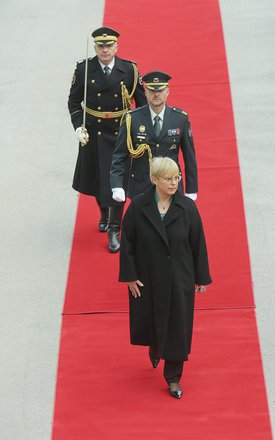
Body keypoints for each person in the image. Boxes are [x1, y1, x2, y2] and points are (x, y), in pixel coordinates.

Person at [119, 157, 211, 399]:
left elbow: (198, 243)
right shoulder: (139, 207)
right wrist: (130, 276)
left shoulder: (187, 208)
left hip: (179, 277)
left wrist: (201, 277)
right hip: (148, 277)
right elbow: (127, 241)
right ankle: (156, 346)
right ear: (154, 180)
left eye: (177, 178)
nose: (174, 183)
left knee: (178, 326)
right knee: (151, 318)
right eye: (168, 179)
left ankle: (173, 377)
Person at [67, 26, 146, 252]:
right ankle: (104, 212)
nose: (105, 50)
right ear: (95, 47)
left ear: (116, 47)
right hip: (93, 132)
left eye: (109, 45)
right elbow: (74, 103)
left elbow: (141, 103)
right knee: (96, 178)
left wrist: (140, 132)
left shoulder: (129, 70)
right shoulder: (84, 70)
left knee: (117, 182)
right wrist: (78, 127)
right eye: (100, 46)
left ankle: (114, 228)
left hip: (120, 132)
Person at [110, 71, 200, 252]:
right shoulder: (131, 119)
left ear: (168, 92)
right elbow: (120, 155)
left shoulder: (180, 118)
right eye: (152, 91)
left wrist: (191, 190)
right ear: (146, 92)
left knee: (172, 233)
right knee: (143, 235)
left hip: (171, 185)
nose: (156, 94)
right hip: (142, 184)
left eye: (160, 90)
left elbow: (190, 156)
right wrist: (117, 185)